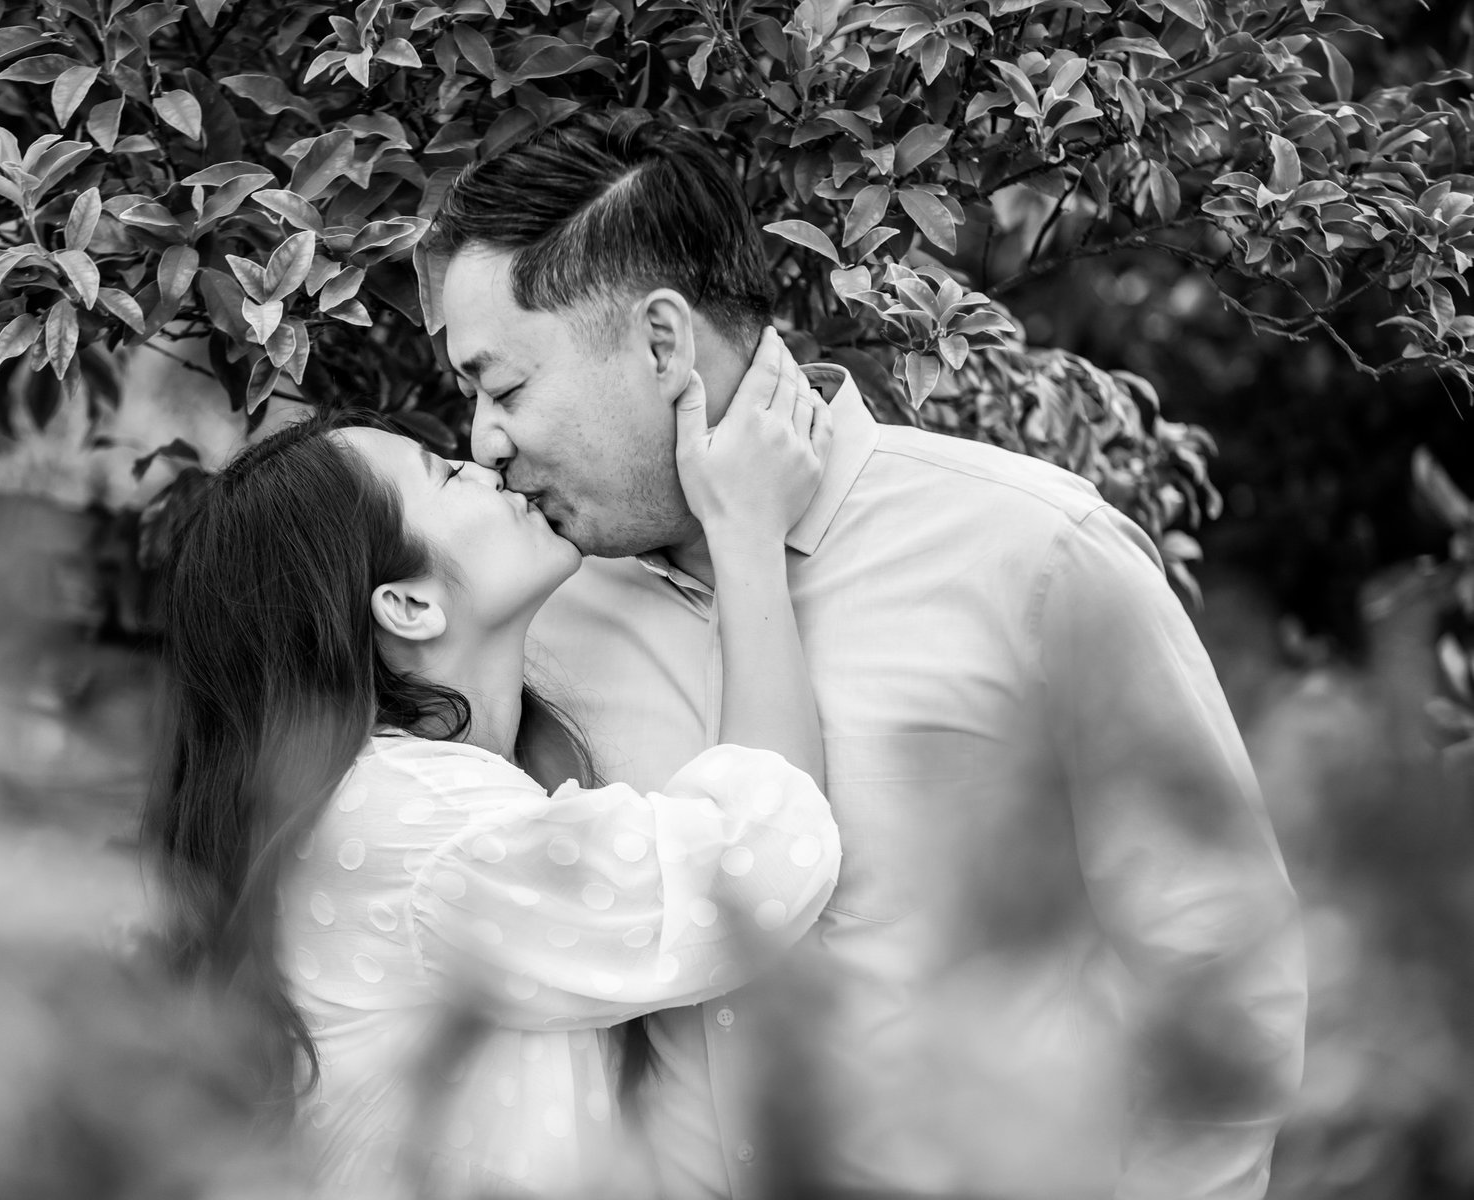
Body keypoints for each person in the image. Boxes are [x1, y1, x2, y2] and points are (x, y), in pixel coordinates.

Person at [426, 109, 1309, 1200]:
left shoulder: (1034, 553)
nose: (484, 440)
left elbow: (1219, 954)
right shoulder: (540, 619)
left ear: (661, 344)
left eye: (505, 388)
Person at [140, 364, 843, 1198]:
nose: (481, 462)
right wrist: (748, 534)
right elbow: (749, 870)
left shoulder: (400, 794)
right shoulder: (425, 824)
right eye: (442, 476)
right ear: (408, 606)